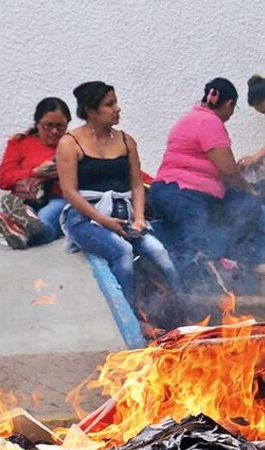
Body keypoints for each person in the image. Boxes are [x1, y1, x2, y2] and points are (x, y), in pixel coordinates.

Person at [56, 81, 183, 315]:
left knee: (158, 251)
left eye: (116, 102)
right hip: (86, 218)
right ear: (91, 111)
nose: (118, 108)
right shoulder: (69, 143)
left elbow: (136, 183)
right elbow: (70, 192)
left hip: (125, 215)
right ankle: (133, 316)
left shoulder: (126, 140)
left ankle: (186, 307)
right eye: (109, 104)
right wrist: (105, 222)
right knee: (122, 251)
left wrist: (140, 219)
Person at [149, 79, 262, 286]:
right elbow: (228, 170)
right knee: (193, 251)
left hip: (170, 192)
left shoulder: (190, 118)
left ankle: (229, 263)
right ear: (228, 105)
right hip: (185, 195)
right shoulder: (210, 122)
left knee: (245, 205)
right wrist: (249, 189)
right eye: (233, 109)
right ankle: (184, 303)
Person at [0, 98, 71, 248]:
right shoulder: (20, 143)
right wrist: (36, 172)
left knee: (45, 221)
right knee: (30, 215)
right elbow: (4, 179)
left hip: (59, 197)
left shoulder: (72, 144)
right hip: (25, 198)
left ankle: (16, 229)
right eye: (48, 125)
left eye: (60, 126)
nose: (54, 131)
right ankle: (23, 217)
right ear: (37, 123)